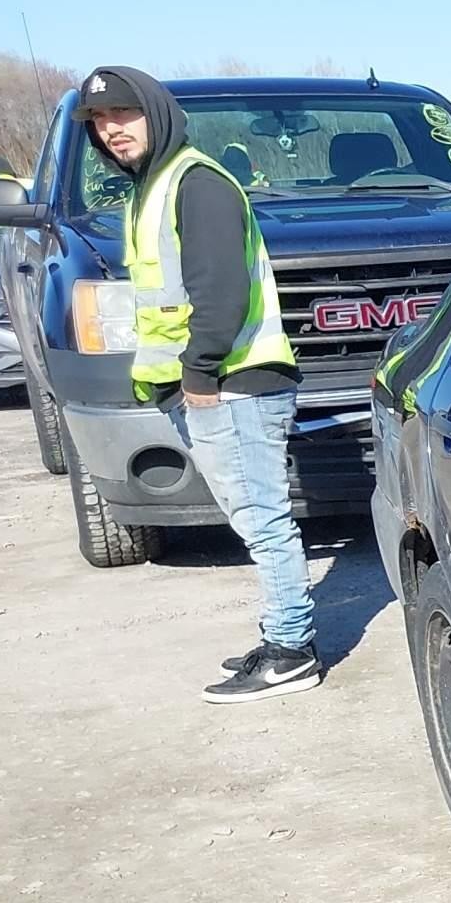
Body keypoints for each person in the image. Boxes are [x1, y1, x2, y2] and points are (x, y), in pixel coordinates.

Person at [79, 67, 320, 701]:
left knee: (262, 520)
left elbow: (221, 290)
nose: (111, 131)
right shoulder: (155, 185)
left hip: (231, 383)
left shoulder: (197, 183)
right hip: (208, 385)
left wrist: (201, 372)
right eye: (100, 123)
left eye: (123, 116)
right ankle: (281, 633)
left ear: (155, 115)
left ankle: (292, 651)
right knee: (252, 517)